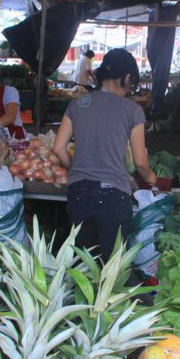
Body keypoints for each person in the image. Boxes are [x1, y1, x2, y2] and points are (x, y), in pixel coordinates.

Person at [53, 48, 155, 261]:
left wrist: (75, 168)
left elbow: (59, 148)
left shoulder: (77, 104)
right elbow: (140, 162)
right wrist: (151, 178)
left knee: (82, 263)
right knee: (111, 268)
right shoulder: (133, 110)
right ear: (127, 78)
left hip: (78, 193)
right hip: (113, 197)